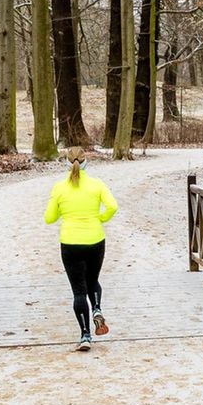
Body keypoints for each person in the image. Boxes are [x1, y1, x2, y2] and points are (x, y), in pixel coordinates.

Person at [43, 147, 118, 351]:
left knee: (78, 291)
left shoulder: (59, 188)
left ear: (67, 164)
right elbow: (113, 206)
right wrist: (99, 218)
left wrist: (64, 211)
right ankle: (96, 308)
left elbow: (49, 218)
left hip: (70, 242)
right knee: (92, 279)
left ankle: (85, 335)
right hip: (95, 239)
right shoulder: (97, 185)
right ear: (86, 163)